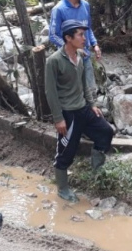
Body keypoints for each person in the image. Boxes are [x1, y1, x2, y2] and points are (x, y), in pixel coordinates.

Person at [45, 19, 114, 203]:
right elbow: (50, 92)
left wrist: (91, 104)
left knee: (106, 132)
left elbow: (84, 84)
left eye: (84, 34)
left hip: (84, 108)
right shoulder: (54, 61)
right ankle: (62, 188)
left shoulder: (81, 55)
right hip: (68, 114)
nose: (84, 38)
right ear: (68, 38)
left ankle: (97, 169)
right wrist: (58, 118)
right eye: (80, 35)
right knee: (66, 151)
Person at [49, 0, 101, 104]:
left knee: (90, 90)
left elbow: (87, 28)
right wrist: (70, 49)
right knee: (73, 93)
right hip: (68, 60)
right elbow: (53, 35)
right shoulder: (59, 9)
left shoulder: (85, 5)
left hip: (86, 56)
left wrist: (94, 44)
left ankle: (92, 113)